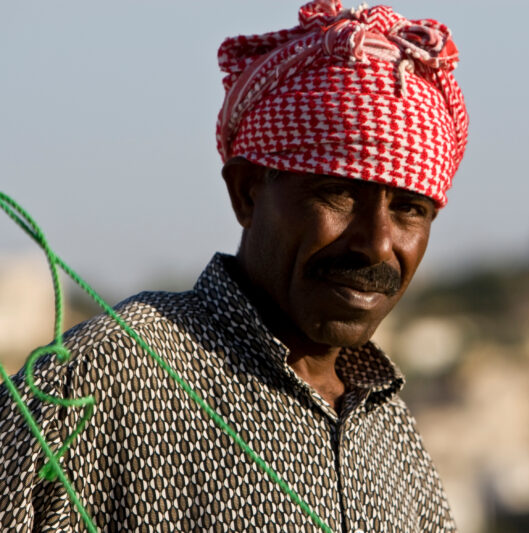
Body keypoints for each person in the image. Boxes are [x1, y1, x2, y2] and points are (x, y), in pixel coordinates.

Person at [0, 0, 468, 531]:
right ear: (247, 193)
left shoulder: (390, 429)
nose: (378, 245)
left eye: (410, 209)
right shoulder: (101, 378)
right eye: (337, 193)